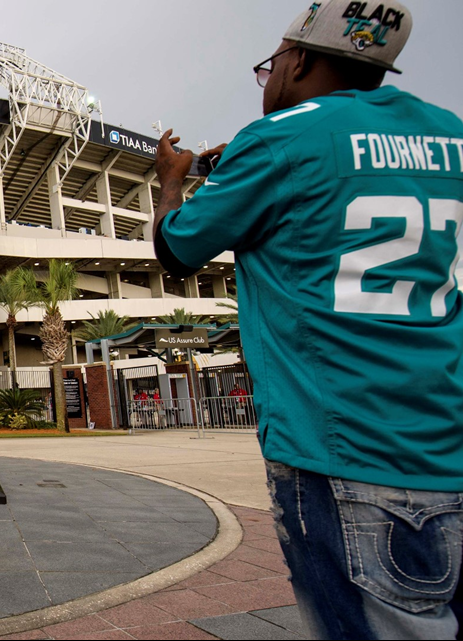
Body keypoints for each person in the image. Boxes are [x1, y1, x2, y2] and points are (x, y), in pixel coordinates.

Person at [152, 2, 462, 638]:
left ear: (297, 60)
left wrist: (171, 183)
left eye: (269, 66)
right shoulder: (450, 134)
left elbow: (176, 248)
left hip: (345, 447)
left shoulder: (280, 138)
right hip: (447, 436)